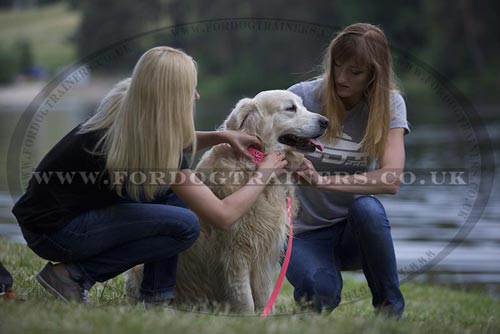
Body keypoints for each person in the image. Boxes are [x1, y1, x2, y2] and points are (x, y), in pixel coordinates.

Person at [11, 46, 288, 306]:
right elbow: (223, 216)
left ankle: (157, 296)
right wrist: (263, 174)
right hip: (59, 233)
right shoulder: (158, 145)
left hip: (40, 223)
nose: (197, 96)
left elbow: (167, 137)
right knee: (186, 225)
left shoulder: (125, 109)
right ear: (171, 97)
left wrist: (220, 135)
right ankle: (73, 276)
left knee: (170, 199)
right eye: (190, 89)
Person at [286, 23, 410, 318]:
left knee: (368, 209)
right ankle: (317, 285)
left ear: (373, 74)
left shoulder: (390, 103)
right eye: (336, 66)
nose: (341, 78)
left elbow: (391, 179)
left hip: (353, 232)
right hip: (301, 233)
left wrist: (321, 182)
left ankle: (390, 313)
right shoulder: (300, 97)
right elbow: (259, 146)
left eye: (354, 72)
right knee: (322, 295)